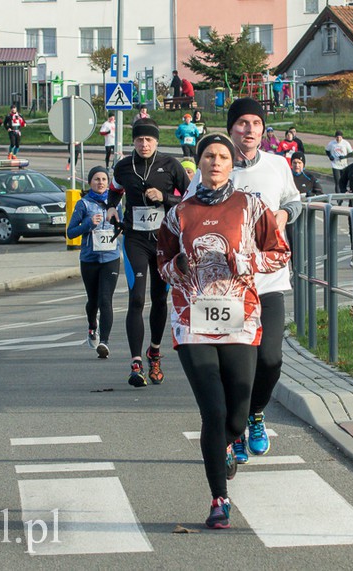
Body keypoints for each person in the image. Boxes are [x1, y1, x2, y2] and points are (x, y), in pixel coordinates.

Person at [158, 133, 290, 530]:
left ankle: (234, 439)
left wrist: (245, 260)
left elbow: (280, 253)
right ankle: (219, 499)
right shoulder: (179, 213)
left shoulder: (251, 207)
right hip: (191, 320)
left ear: (233, 164)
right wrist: (176, 268)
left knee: (236, 413)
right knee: (212, 412)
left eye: (222, 157)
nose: (215, 162)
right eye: (208, 156)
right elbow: (162, 262)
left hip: (240, 319)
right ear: (197, 164)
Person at [184, 98, 301, 464]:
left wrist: (283, 213)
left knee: (269, 360)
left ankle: (255, 414)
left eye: (255, 123)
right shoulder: (217, 166)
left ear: (263, 129)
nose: (249, 130)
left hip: (268, 281)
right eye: (241, 124)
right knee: (232, 367)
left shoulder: (278, 166)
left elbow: (295, 201)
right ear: (231, 128)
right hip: (225, 290)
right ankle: (232, 435)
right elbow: (186, 213)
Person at [106, 118, 190, 386]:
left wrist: (165, 198)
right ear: (133, 141)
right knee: (136, 299)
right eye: (140, 140)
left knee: (158, 299)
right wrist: (110, 207)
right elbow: (115, 190)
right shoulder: (123, 167)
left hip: (164, 242)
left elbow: (190, 199)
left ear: (157, 142)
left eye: (149, 140)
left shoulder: (170, 165)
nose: (144, 144)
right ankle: (136, 363)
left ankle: (154, 352)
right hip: (135, 239)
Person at [66, 166, 122, 359]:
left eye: (104, 179)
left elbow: (121, 224)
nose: (100, 183)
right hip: (89, 259)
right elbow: (71, 232)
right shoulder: (83, 204)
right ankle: (92, 325)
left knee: (106, 299)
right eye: (97, 179)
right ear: (90, 182)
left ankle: (104, 342)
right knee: (93, 301)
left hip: (110, 258)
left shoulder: (115, 203)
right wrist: (89, 224)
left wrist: (119, 227)